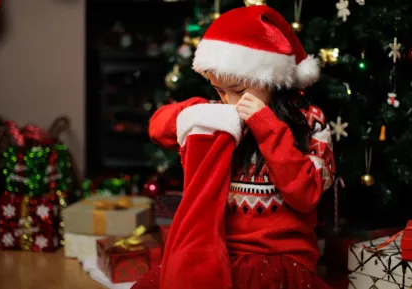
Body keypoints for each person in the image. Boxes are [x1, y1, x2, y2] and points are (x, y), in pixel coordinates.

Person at [133, 5, 335, 289]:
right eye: (218, 90)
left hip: (280, 257)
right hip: (221, 250)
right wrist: (194, 111)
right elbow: (158, 128)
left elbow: (305, 193)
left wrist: (267, 128)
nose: (229, 100)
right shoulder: (223, 114)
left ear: (270, 79)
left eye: (239, 90)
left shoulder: (310, 120)